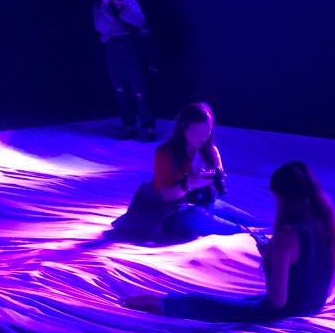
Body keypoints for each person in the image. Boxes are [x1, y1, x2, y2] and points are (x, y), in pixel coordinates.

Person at [123, 161, 335, 323]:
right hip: (310, 306)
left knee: (204, 304)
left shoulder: (288, 234)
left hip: (283, 312)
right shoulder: (325, 223)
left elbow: (277, 302)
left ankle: (156, 302)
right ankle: (159, 302)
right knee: (233, 301)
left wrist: (270, 260)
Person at [107, 102, 254, 242]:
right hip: (171, 210)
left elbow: (215, 193)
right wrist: (188, 183)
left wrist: (217, 178)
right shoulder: (165, 153)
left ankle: (258, 231)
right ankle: (250, 235)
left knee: (253, 221)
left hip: (200, 202)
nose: (203, 138)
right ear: (183, 128)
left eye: (207, 132)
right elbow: (166, 196)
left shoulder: (210, 151)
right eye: (196, 132)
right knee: (202, 219)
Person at [93, 0, 154, 141]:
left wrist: (123, 6)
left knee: (139, 87)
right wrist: (106, 6)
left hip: (131, 45)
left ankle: (148, 126)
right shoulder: (98, 6)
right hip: (113, 47)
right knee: (120, 88)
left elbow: (140, 21)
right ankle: (128, 124)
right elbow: (101, 28)